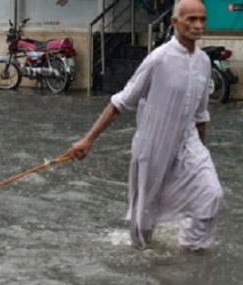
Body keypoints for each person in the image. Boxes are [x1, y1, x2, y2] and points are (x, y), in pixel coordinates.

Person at [66, 0, 223, 251]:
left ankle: (191, 253)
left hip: (189, 142)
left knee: (211, 194)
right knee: (144, 217)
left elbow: (201, 114)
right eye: (191, 19)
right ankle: (143, 260)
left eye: (202, 20)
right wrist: (88, 139)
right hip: (153, 144)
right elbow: (121, 101)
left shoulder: (204, 61)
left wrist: (201, 156)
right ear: (174, 23)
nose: (198, 25)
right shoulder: (158, 59)